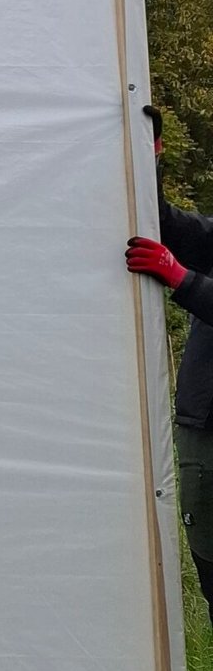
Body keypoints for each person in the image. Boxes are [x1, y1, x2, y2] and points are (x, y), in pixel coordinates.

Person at [124, 106, 213, 623]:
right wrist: (147, 151)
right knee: (211, 562)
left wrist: (182, 280)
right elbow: (161, 222)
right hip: (204, 431)